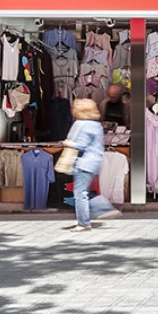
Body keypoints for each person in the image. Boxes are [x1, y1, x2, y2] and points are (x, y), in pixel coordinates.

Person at [62, 97, 115, 230]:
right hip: (95, 161)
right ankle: (103, 209)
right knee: (85, 190)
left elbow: (80, 144)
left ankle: (84, 223)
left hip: (83, 162)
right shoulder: (97, 125)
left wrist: (67, 143)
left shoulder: (81, 124)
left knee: (80, 193)